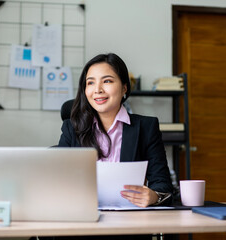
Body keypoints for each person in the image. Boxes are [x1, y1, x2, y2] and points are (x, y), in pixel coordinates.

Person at [58, 53, 173, 207]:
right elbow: (57, 178)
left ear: (124, 87)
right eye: (90, 83)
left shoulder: (146, 127)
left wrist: (153, 196)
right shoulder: (72, 128)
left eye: (107, 81)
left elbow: (163, 185)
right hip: (84, 218)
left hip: (128, 220)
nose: (97, 90)